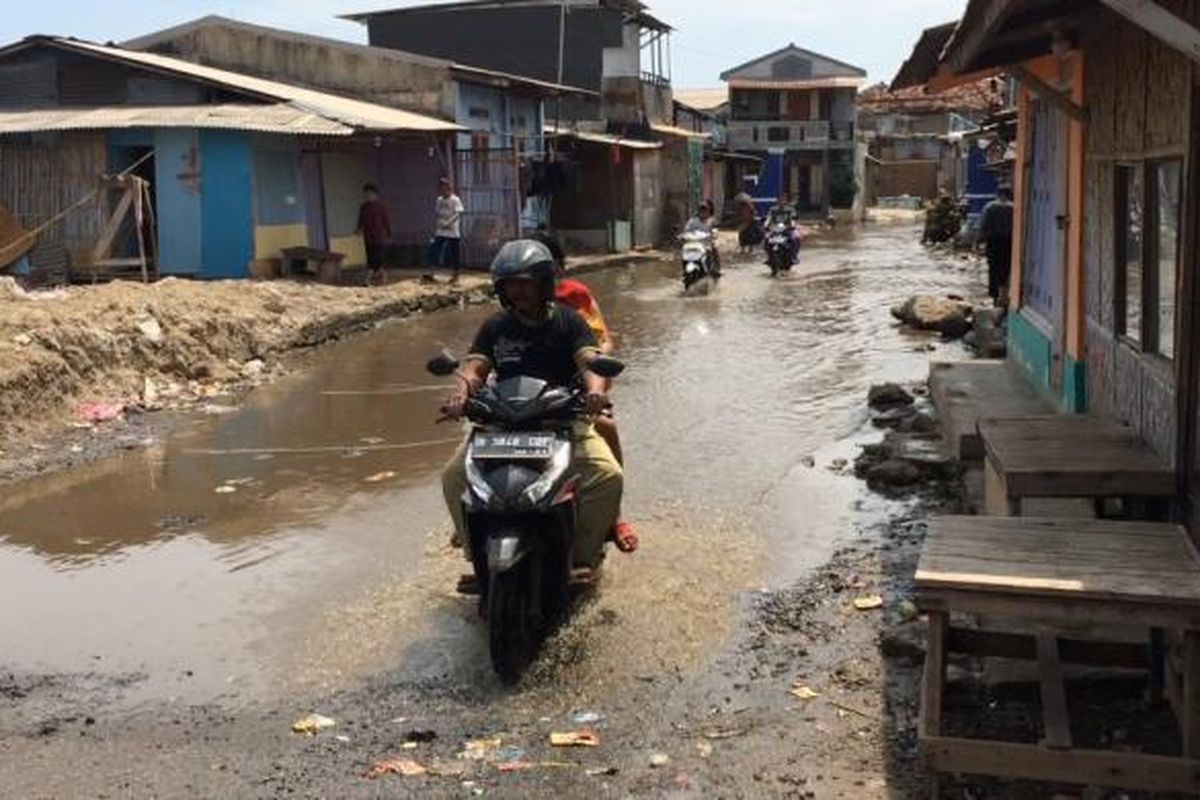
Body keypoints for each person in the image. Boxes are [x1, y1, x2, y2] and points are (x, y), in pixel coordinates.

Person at [441, 240, 624, 571]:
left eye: (526, 282)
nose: (518, 291)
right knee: (453, 476)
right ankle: (475, 553)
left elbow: (590, 363)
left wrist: (596, 392)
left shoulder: (569, 322)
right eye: (511, 283)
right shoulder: (495, 326)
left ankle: (582, 555)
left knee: (608, 476)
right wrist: (461, 394)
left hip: (562, 421)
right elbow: (475, 369)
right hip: (502, 423)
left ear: (544, 283)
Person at [530, 227, 638, 553]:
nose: (525, 283)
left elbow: (600, 341)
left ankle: (614, 514)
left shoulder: (574, 297)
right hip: (525, 396)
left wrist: (597, 387)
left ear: (555, 269)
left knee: (606, 427)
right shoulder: (511, 303)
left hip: (575, 388)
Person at [979, 187, 1014, 307]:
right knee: (1006, 267)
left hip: (993, 242)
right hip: (1009, 242)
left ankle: (994, 296)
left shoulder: (990, 207)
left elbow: (983, 225)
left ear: (998, 194)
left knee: (993, 268)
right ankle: (1004, 294)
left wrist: (979, 241)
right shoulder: (1014, 207)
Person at [355, 183, 392, 286]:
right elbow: (361, 220)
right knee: (372, 258)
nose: (367, 196)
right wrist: (358, 229)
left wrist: (389, 234)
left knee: (377, 259)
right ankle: (383, 276)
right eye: (365, 194)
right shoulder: (363, 207)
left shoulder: (381, 206)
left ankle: (367, 279)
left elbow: (386, 221)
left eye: (369, 194)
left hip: (380, 237)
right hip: (368, 237)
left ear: (375, 194)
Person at [431, 178, 464, 282]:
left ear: (449, 189)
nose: (443, 191)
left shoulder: (455, 199)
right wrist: (440, 223)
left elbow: (457, 214)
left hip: (452, 230)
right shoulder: (439, 200)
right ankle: (432, 273)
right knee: (435, 249)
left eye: (445, 189)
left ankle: (455, 274)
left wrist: (448, 223)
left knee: (454, 253)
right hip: (441, 230)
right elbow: (437, 213)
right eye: (441, 189)